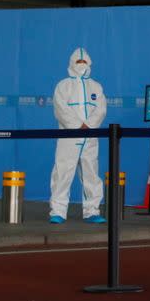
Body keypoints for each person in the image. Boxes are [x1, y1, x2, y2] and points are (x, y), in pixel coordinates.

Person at [49, 48, 107, 224]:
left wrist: (88, 126)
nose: (81, 65)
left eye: (84, 62)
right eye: (78, 62)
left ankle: (92, 211)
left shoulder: (96, 86)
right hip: (69, 137)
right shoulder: (63, 86)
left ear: (89, 63)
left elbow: (101, 109)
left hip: (90, 138)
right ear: (71, 63)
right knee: (63, 173)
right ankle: (57, 211)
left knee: (91, 174)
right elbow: (61, 109)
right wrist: (77, 126)